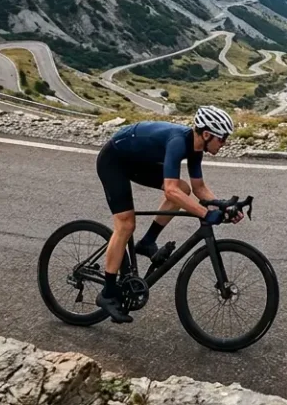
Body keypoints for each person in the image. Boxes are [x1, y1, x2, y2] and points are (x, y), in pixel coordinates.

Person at [95, 105, 240, 322]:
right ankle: (107, 293)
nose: (225, 143)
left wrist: (223, 206)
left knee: (184, 189)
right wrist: (205, 214)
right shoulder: (178, 142)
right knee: (126, 224)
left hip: (136, 162)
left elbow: (199, 188)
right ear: (207, 134)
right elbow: (170, 191)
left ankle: (147, 242)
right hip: (114, 161)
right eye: (222, 138)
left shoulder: (196, 147)